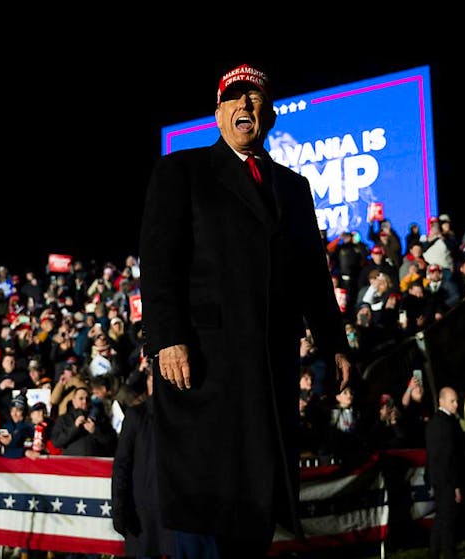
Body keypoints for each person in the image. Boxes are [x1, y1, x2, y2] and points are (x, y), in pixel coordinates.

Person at [139, 62, 352, 557]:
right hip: (204, 365)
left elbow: (312, 277)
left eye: (255, 99)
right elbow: (159, 258)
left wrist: (335, 343)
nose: (245, 107)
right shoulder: (182, 171)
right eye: (234, 98)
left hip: (269, 367)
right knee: (206, 503)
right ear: (217, 112)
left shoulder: (293, 187)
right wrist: (168, 335)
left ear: (270, 115)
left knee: (256, 501)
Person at [112, 368, 174, 558]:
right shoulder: (136, 415)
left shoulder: (185, 418)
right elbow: (122, 465)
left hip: (176, 522)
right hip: (142, 519)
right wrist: (119, 510)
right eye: (151, 379)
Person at [425, 387, 465, 559]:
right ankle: (449, 553)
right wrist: (455, 485)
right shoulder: (447, 424)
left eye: (456, 401)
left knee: (441, 518)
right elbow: (449, 456)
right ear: (441, 401)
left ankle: (434, 552)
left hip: (437, 477)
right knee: (447, 520)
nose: (456, 404)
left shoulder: (435, 422)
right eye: (452, 401)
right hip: (446, 478)